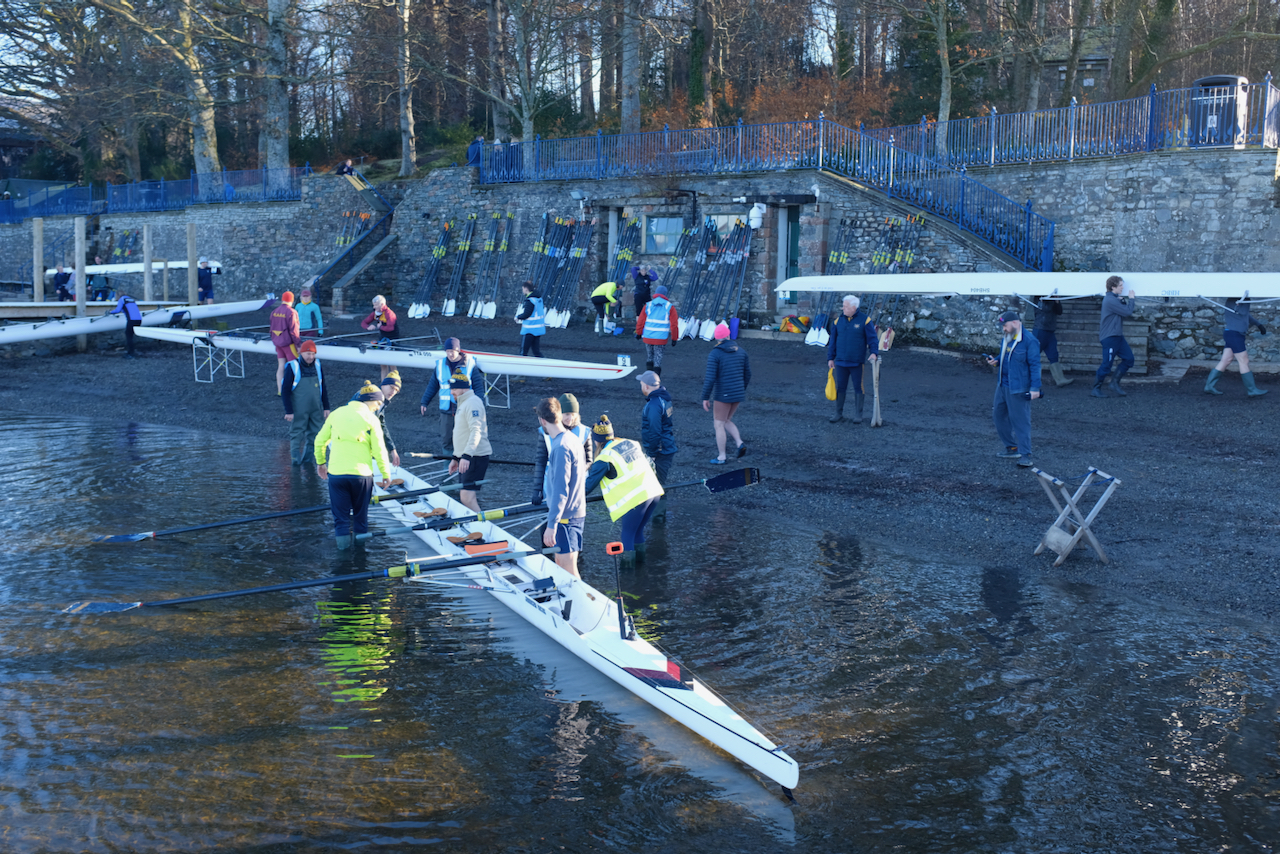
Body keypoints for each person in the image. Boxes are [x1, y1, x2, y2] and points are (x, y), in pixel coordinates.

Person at [314, 381, 393, 550]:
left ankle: (342, 560)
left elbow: (319, 441)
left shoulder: (336, 414)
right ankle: (359, 557)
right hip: (361, 476)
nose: (378, 407)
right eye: (378, 403)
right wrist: (386, 474)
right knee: (360, 517)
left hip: (336, 476)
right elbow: (379, 449)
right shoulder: (371, 419)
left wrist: (321, 463)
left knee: (341, 520)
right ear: (369, 400)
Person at [584, 415, 664, 570]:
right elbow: (651, 465)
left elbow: (587, 487)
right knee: (637, 532)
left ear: (596, 440)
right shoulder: (630, 443)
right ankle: (640, 572)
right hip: (654, 492)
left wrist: (569, 496)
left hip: (637, 500)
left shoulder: (604, 458)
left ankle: (628, 574)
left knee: (627, 535)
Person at [984, 310, 1042, 468]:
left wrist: (1035, 388)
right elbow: (1005, 355)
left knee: (1021, 421)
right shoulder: (1008, 337)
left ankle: (1026, 455)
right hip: (1002, 385)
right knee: (998, 416)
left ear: (1015, 323)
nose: (1003, 328)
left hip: (1019, 388)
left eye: (1005, 325)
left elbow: (1036, 365)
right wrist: (996, 360)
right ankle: (1011, 448)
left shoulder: (1030, 341)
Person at [537, 396, 586, 578]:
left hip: (566, 518)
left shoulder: (560, 447)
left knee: (568, 569)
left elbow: (560, 490)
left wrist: (552, 524)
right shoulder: (572, 438)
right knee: (562, 564)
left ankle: (581, 605)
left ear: (543, 420)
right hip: (574, 513)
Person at [419, 337, 486, 454]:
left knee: (465, 438)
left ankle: (464, 465)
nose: (450, 354)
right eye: (448, 351)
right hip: (447, 410)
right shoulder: (440, 365)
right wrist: (425, 401)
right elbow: (433, 385)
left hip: (465, 408)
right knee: (447, 440)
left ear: (458, 350)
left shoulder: (470, 364)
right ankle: (449, 468)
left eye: (453, 351)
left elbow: (478, 387)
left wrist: (480, 404)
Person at [531, 393, 593, 506]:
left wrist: (575, 475)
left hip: (576, 488)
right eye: (567, 414)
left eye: (573, 414)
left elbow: (588, 460)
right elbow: (541, 461)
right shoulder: (545, 432)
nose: (570, 418)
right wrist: (537, 490)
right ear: (559, 414)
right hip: (551, 485)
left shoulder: (585, 432)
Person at [825, 294, 879, 423]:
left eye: (845, 306)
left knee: (858, 387)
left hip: (856, 361)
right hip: (840, 361)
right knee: (840, 387)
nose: (843, 309)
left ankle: (858, 415)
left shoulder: (865, 320)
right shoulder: (838, 321)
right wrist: (830, 358)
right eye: (843, 306)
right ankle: (838, 413)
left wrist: (874, 353)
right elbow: (832, 341)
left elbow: (873, 339)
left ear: (854, 307)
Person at [702, 322, 751, 465]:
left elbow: (710, 378)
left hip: (723, 394)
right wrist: (741, 388)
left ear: (717, 338)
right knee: (726, 420)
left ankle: (722, 456)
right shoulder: (741, 352)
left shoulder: (715, 354)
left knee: (718, 424)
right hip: (738, 393)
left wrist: (705, 397)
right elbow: (748, 374)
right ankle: (739, 443)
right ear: (729, 335)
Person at [1205, 298, 1269, 396]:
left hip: (1233, 333)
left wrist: (1258, 325)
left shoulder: (1240, 299)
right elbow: (1242, 312)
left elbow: (1244, 315)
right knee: (1244, 361)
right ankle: (1252, 390)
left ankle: (1209, 386)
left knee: (1226, 360)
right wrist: (1243, 301)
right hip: (1234, 334)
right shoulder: (1234, 299)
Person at [449, 369, 492, 513]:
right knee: (466, 496)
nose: (452, 392)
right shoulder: (464, 402)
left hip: (475, 456)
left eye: (454, 388)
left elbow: (476, 430)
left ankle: (481, 525)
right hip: (467, 456)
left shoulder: (472, 403)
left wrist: (466, 456)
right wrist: (456, 457)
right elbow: (463, 433)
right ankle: (476, 523)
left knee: (467, 497)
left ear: (463, 388)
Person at [282, 339, 330, 466]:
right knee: (296, 434)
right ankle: (295, 463)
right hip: (298, 409)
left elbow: (323, 387)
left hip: (316, 408)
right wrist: (289, 411)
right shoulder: (292, 367)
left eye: (313, 354)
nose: (311, 357)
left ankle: (308, 461)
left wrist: (326, 407)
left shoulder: (318, 365)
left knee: (316, 434)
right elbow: (285, 391)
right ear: (301, 353)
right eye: (308, 354)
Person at [638, 370, 677, 523]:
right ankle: (656, 516)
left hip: (660, 451)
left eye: (641, 384)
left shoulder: (654, 405)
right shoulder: (663, 399)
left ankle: (657, 519)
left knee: (658, 485)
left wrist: (652, 453)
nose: (641, 387)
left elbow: (654, 431)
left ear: (646, 386)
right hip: (666, 448)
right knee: (658, 483)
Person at [1093, 275, 1136, 398]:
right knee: (1107, 365)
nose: (1123, 288)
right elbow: (1127, 312)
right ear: (1113, 287)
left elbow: (1122, 311)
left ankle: (1114, 383)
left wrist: (1122, 301)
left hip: (1117, 336)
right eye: (1121, 285)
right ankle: (1096, 389)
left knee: (1129, 359)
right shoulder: (1110, 300)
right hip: (1110, 338)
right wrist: (1131, 299)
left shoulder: (1114, 299)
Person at [635, 285, 679, 376]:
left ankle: (648, 377)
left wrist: (638, 332)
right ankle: (656, 380)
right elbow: (674, 325)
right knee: (658, 359)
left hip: (648, 336)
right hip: (661, 338)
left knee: (649, 356)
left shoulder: (648, 305)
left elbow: (641, 321)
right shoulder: (670, 307)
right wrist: (674, 338)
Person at [1032, 295, 1073, 387]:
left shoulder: (1052, 299)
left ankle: (1060, 379)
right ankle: (1023, 378)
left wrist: (1057, 301)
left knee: (1053, 355)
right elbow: (1044, 309)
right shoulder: (1038, 297)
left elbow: (1059, 312)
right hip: (1040, 329)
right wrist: (1051, 299)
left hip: (1050, 330)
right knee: (1033, 354)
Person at [270, 291, 302, 394]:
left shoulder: (274, 311)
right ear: (291, 300)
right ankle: (294, 389)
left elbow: (271, 328)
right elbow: (294, 331)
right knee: (295, 367)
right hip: (289, 344)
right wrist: (298, 345)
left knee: (281, 366)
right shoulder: (292, 312)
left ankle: (280, 390)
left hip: (278, 344)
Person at [362, 294, 399, 379]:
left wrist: (380, 327)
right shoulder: (376, 313)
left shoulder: (390, 314)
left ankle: (395, 384)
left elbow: (390, 328)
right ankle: (383, 386)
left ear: (382, 304)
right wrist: (368, 327)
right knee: (383, 363)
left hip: (392, 339)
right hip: (382, 338)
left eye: (375, 305)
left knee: (392, 364)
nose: (374, 307)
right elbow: (364, 322)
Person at [375, 370, 404, 469]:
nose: (393, 392)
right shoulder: (371, 396)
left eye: (396, 390)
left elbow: (382, 426)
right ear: (383, 384)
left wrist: (393, 450)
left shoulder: (382, 401)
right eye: (392, 387)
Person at [516, 280, 546, 357]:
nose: (522, 291)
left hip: (529, 330)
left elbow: (527, 314)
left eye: (522, 289)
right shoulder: (539, 299)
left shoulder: (530, 301)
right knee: (536, 352)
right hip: (538, 329)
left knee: (523, 352)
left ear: (526, 289)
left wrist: (518, 317)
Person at [108, 293, 142, 359]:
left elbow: (117, 310)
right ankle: (131, 352)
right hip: (139, 320)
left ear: (118, 295)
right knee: (131, 336)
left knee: (128, 335)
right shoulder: (131, 299)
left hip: (132, 320)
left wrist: (110, 312)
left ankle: (131, 354)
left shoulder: (122, 299)